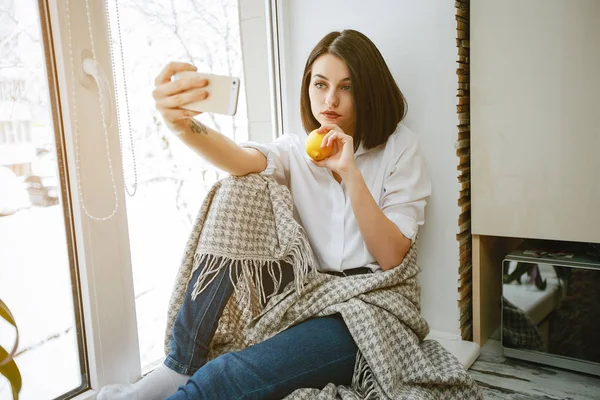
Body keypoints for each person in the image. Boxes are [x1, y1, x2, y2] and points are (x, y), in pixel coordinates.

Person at [98, 29, 431, 400]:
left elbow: (391, 256)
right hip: (306, 297)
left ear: (367, 90)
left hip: (369, 307)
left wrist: (350, 172)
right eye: (320, 85)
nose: (330, 100)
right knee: (240, 186)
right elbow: (240, 159)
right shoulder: (296, 150)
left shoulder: (400, 149)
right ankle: (179, 365)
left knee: (227, 376)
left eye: (347, 88)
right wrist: (182, 125)